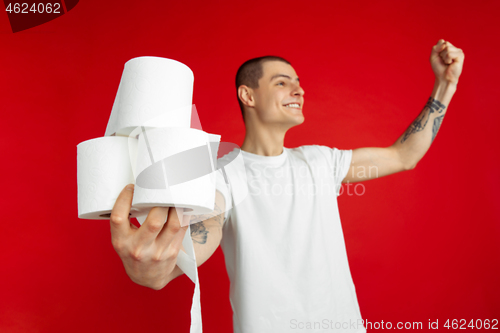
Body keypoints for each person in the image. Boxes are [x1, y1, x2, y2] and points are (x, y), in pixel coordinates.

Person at [109, 39, 464, 332]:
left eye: (297, 81)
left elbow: (404, 156)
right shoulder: (221, 176)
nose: (299, 89)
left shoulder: (320, 161)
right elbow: (202, 235)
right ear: (247, 96)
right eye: (282, 82)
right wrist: (157, 267)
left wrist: (445, 84)